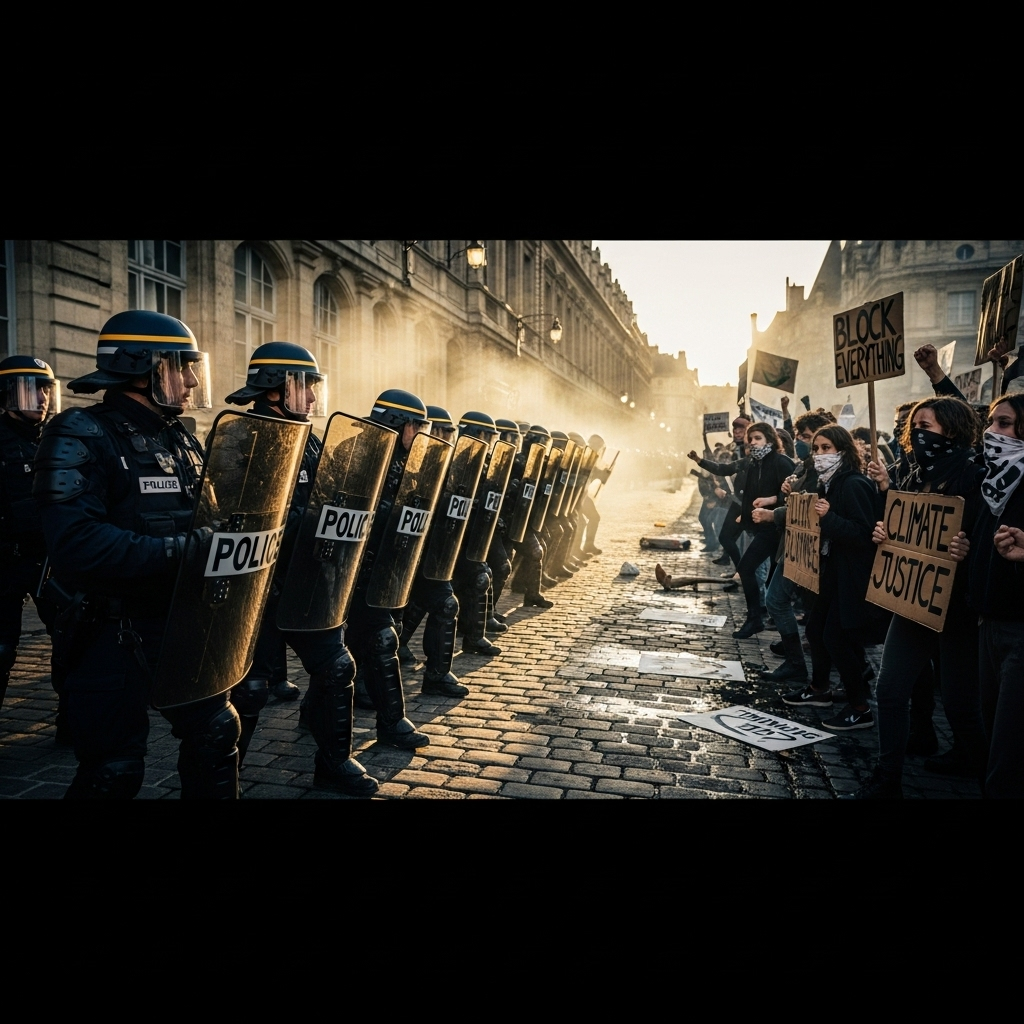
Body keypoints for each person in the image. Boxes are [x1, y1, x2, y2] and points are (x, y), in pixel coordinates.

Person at [32, 309, 243, 799]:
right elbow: (76, 545)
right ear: (145, 368)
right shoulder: (79, 433)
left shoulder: (180, 435)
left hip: (180, 623)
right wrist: (183, 549)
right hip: (111, 631)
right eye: (181, 366)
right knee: (114, 769)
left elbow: (205, 515)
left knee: (215, 731)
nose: (192, 380)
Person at [222, 342, 379, 796]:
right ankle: (224, 779)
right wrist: (311, 521)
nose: (312, 398)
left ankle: (334, 763)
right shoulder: (243, 436)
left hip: (307, 579)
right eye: (305, 386)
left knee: (335, 667)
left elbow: (323, 493)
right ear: (276, 388)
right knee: (249, 690)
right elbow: (237, 514)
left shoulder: (307, 436)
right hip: (255, 586)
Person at [853, 396, 987, 798]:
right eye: (914, 428)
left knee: (962, 707)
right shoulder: (911, 477)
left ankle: (985, 777)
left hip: (957, 609)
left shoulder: (974, 477)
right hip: (915, 601)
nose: (916, 435)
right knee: (891, 690)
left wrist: (969, 550)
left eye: (925, 427)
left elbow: (992, 542)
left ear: (952, 429)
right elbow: (901, 530)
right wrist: (885, 536)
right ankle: (886, 777)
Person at [344, 389, 437, 749]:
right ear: (398, 424)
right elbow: (355, 505)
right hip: (355, 569)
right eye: (416, 426)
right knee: (381, 638)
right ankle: (392, 723)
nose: (419, 435)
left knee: (348, 648)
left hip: (381, 566)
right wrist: (396, 513)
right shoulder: (360, 451)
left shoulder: (397, 456)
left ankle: (311, 711)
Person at [781, 425, 885, 730]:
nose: (819, 455)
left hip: (851, 576)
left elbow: (864, 534)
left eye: (826, 448)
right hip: (832, 572)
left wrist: (829, 518)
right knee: (816, 630)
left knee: (834, 638)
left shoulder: (853, 484)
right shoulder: (830, 483)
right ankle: (819, 689)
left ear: (843, 449)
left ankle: (860, 706)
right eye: (816, 449)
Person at [947, 393, 1024, 798]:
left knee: (1007, 753)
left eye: (1005, 424)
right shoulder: (992, 482)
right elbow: (979, 542)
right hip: (987, 622)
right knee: (993, 732)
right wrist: (965, 551)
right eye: (991, 422)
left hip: (1019, 631)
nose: (993, 432)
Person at [0, 355, 62, 732]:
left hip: (48, 559)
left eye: (44, 388)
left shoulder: (57, 438)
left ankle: (72, 721)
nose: (40, 397)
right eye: (29, 388)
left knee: (71, 639)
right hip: (4, 562)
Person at [688, 421, 794, 638]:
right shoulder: (752, 463)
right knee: (749, 569)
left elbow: (797, 492)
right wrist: (699, 461)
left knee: (778, 584)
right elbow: (726, 471)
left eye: (758, 438)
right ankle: (756, 618)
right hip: (761, 527)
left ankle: (772, 626)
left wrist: (774, 500)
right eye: (751, 439)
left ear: (770, 440)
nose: (753, 443)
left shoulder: (782, 462)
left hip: (779, 528)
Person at [397, 406, 473, 699]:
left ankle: (437, 675)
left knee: (444, 603)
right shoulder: (400, 461)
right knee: (377, 629)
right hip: (390, 558)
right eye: (417, 428)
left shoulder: (438, 462)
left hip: (425, 551)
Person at [452, 411, 505, 656]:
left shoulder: (481, 461)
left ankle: (475, 633)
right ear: (476, 434)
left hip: (474, 530)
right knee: (434, 596)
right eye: (487, 435)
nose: (490, 441)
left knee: (480, 577)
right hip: (453, 534)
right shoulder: (459, 461)